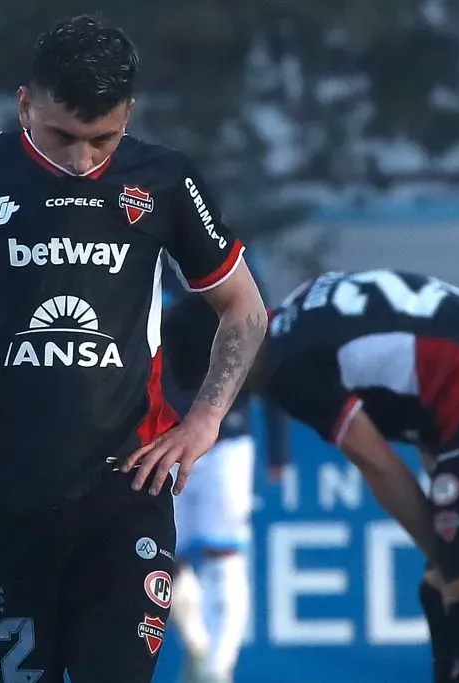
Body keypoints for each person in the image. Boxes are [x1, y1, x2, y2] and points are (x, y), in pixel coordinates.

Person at [0, 16, 267, 683]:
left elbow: (246, 309)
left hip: (125, 501)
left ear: (130, 114)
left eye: (103, 139)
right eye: (64, 136)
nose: (84, 160)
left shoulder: (166, 179)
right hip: (2, 502)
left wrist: (201, 422)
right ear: (25, 102)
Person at [162, 269, 459, 683]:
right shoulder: (302, 308)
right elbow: (430, 386)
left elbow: (378, 464)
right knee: (442, 595)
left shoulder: (289, 368)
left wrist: (445, 554)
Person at [160, 260, 290, 683]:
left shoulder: (238, 267)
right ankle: (200, 647)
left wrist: (278, 449)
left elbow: (264, 356)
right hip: (168, 438)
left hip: (226, 441)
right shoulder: (155, 264)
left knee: (224, 554)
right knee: (163, 555)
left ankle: (219, 668)